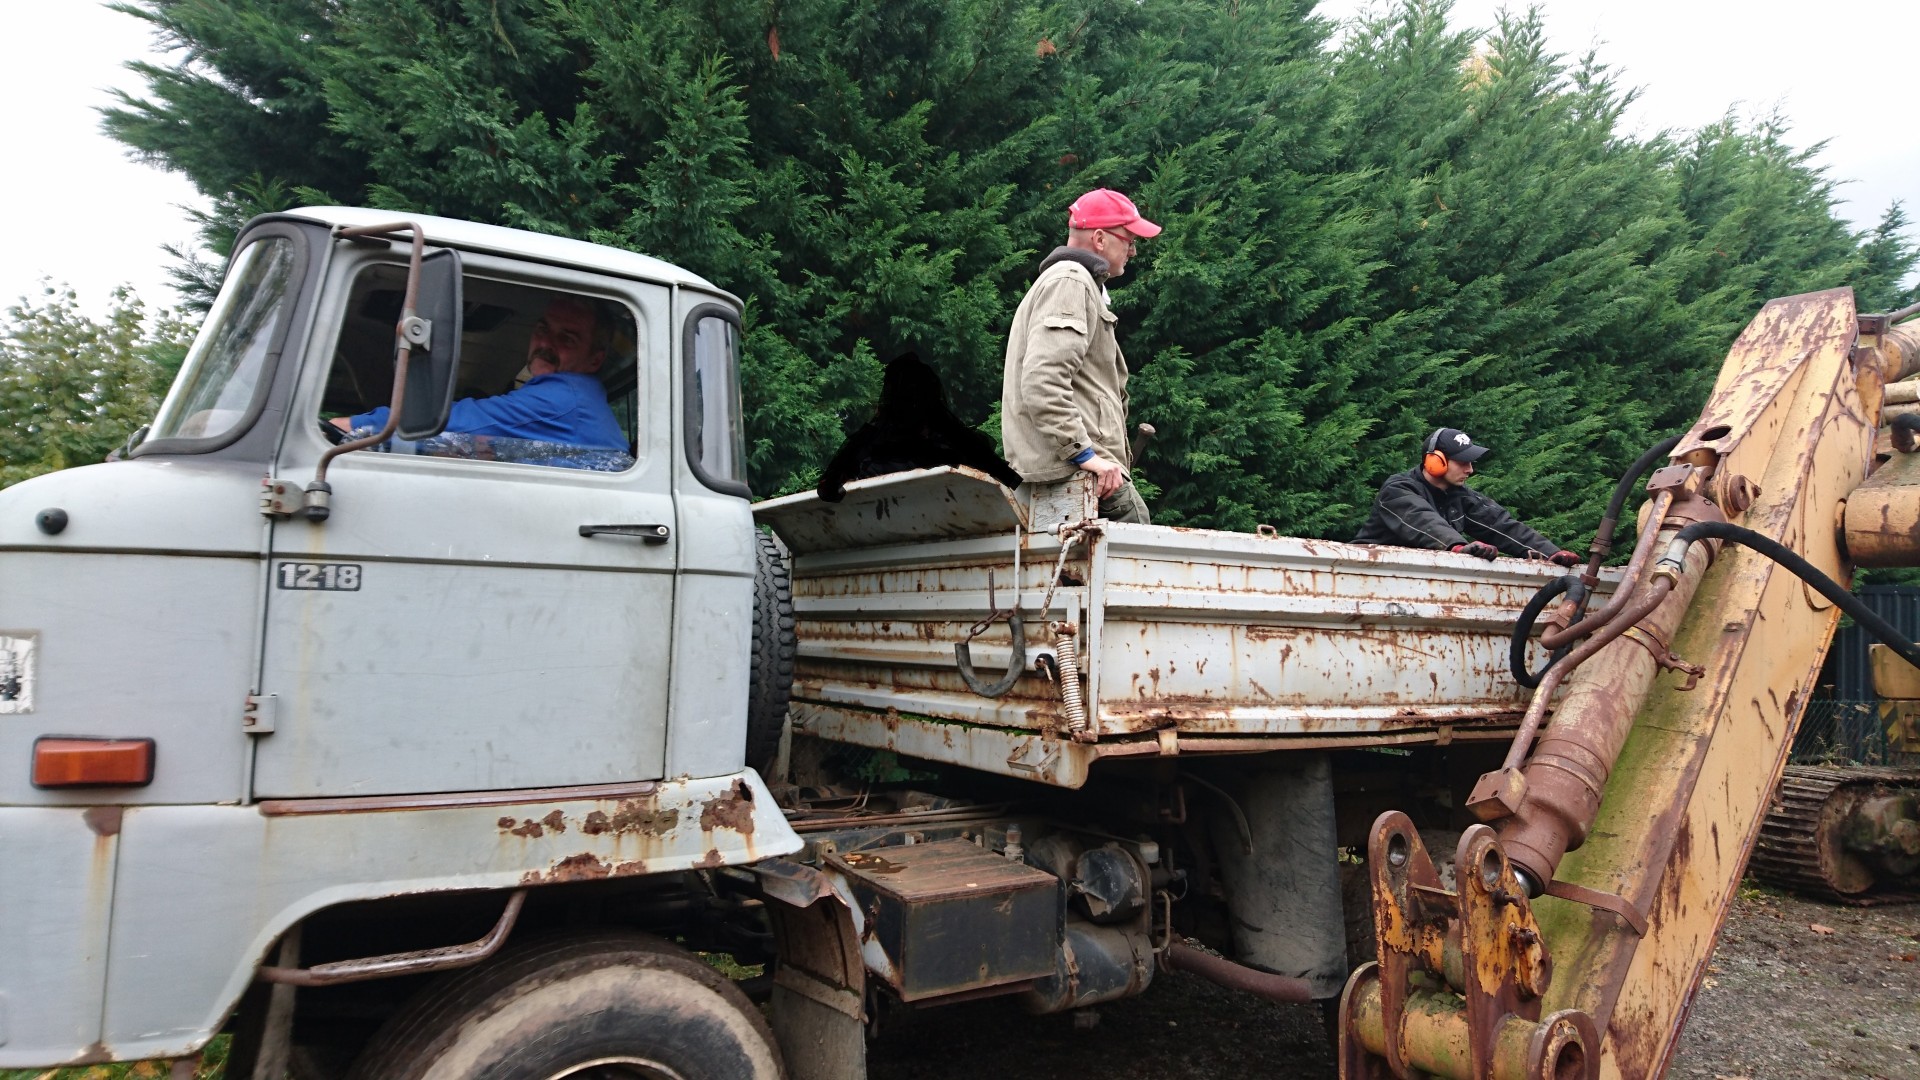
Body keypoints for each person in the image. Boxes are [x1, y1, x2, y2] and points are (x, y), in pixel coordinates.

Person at [1000, 187, 1160, 523]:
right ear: (1100, 239)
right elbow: (1043, 380)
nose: (1133, 251)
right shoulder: (1070, 282)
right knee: (1135, 535)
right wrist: (1086, 455)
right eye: (1129, 240)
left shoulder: (1072, 283)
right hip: (1075, 473)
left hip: (1069, 473)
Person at [333, 295, 625, 451]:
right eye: (542, 329)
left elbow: (460, 422)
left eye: (567, 338)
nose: (546, 343)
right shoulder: (579, 402)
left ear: (594, 360)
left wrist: (354, 425)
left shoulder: (565, 398)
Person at [1353, 427, 1582, 564]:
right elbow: (1423, 520)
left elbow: (1501, 525)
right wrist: (1457, 546)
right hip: (1363, 574)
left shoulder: (1459, 496)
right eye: (1462, 462)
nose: (1470, 469)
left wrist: (1551, 553)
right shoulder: (1397, 490)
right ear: (1435, 461)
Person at [816, 352, 1023, 502]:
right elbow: (1010, 481)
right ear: (933, 394)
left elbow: (827, 488)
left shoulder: (869, 440)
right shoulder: (953, 437)